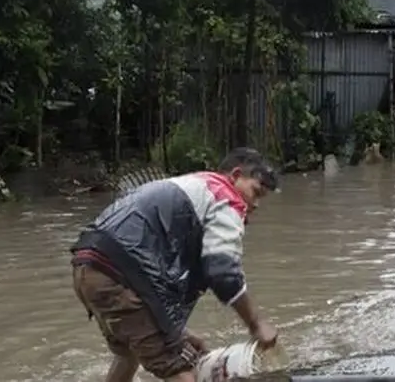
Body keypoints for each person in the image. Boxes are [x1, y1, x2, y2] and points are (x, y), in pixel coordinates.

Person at [70, 148, 280, 381]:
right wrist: (256, 323)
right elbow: (223, 272)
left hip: (88, 269)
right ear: (236, 175)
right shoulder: (226, 198)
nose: (256, 204)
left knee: (130, 352)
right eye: (256, 192)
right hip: (119, 274)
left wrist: (176, 331)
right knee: (179, 370)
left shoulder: (194, 185)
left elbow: (151, 267)